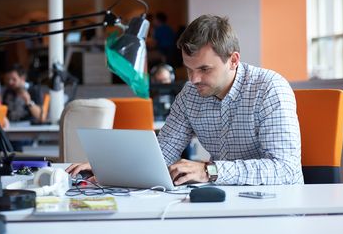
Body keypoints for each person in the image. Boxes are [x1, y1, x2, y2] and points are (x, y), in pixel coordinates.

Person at [66, 15, 303, 187]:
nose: (194, 79)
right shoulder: (190, 94)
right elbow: (162, 153)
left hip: (277, 205)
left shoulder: (269, 88)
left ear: (233, 60)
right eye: (188, 69)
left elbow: (285, 169)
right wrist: (110, 168)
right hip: (224, 201)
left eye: (204, 69)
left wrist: (210, 170)